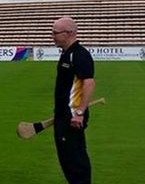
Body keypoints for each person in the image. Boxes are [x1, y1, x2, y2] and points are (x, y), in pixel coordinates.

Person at [51, 17, 95, 184]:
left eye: (55, 33)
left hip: (73, 118)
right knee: (67, 161)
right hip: (63, 116)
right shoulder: (66, 54)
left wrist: (79, 113)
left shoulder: (79, 55)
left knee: (76, 162)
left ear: (69, 33)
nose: (52, 36)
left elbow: (89, 82)